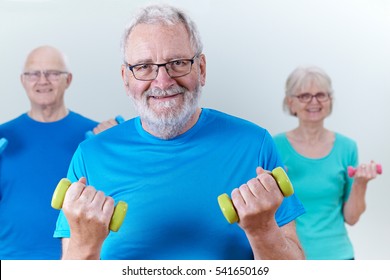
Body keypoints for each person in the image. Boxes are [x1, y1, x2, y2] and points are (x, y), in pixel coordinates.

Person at [54, 4, 305, 260]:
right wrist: (85, 245)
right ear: (125, 78)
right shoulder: (90, 156)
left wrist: (263, 231)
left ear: (202, 69)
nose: (163, 81)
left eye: (178, 63)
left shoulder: (255, 144)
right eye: (143, 67)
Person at [0, 45, 117, 259]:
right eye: (34, 73)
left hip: (77, 262)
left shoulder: (96, 138)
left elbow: (118, 199)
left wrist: (119, 147)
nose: (43, 80)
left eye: (53, 73)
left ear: (68, 80)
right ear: (23, 80)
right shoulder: (3, 138)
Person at [273, 65, 380, 260]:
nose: (314, 102)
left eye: (321, 95)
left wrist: (361, 184)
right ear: (291, 103)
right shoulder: (275, 146)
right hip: (291, 258)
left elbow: (352, 218)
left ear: (330, 100)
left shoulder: (347, 147)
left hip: (338, 257)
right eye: (304, 95)